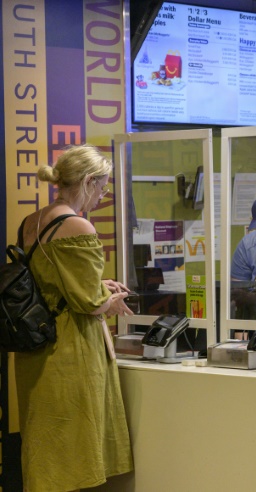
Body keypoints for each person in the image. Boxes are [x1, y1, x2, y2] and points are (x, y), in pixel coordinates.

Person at [15, 145, 134, 491]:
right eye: (103, 186)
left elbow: (51, 280)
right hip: (70, 351)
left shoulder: (32, 220)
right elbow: (88, 302)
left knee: (46, 446)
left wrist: (97, 285)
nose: (103, 195)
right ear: (88, 182)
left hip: (36, 347)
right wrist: (109, 300)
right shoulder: (77, 225)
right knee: (73, 448)